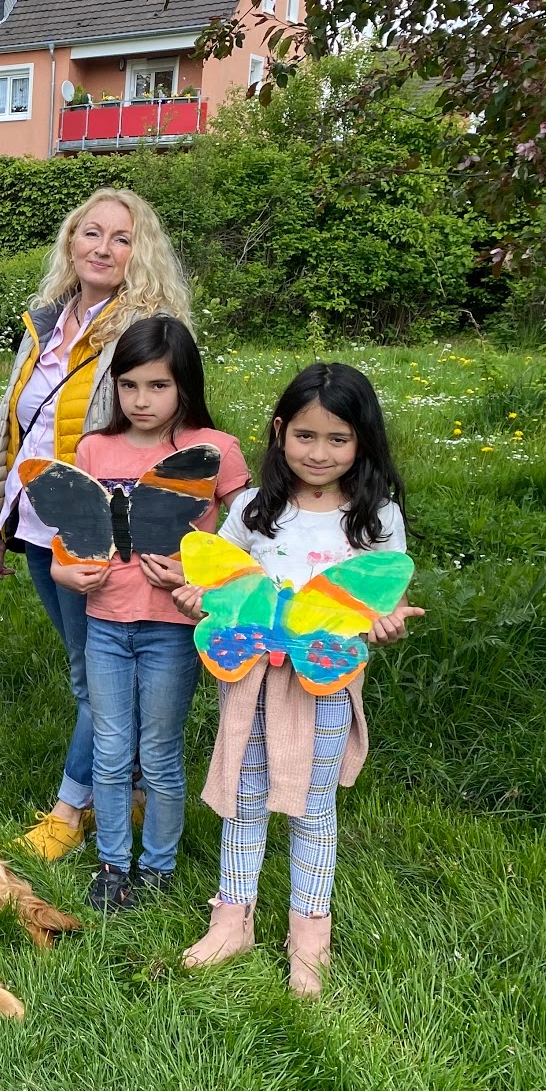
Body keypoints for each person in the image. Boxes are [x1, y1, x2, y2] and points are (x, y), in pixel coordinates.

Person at [176, 364, 419, 995]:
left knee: (314, 808)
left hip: (324, 682)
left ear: (363, 441)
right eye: (305, 436)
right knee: (244, 793)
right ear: (281, 433)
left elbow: (379, 593)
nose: (319, 452)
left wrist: (385, 620)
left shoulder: (375, 516)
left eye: (337, 439)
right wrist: (198, 596)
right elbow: (220, 574)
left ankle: (310, 932)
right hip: (253, 676)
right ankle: (234, 919)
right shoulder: (258, 509)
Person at [0, 187, 194, 861]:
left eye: (120, 237)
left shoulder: (144, 329)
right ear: (69, 242)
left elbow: (167, 432)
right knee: (86, 670)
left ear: (140, 252)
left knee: (88, 675)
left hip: (98, 529)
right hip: (37, 521)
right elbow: (15, 421)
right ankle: (123, 786)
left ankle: (70, 810)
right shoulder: (46, 318)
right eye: (90, 233)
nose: (102, 248)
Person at [43, 318, 249, 909]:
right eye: (128, 385)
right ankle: (113, 865)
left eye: (157, 386)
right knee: (109, 750)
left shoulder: (214, 450)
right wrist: (64, 573)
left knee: (158, 750)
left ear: (185, 384)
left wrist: (200, 575)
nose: (141, 400)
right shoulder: (94, 447)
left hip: (173, 629)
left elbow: (253, 538)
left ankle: (157, 868)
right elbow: (72, 539)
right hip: (105, 623)